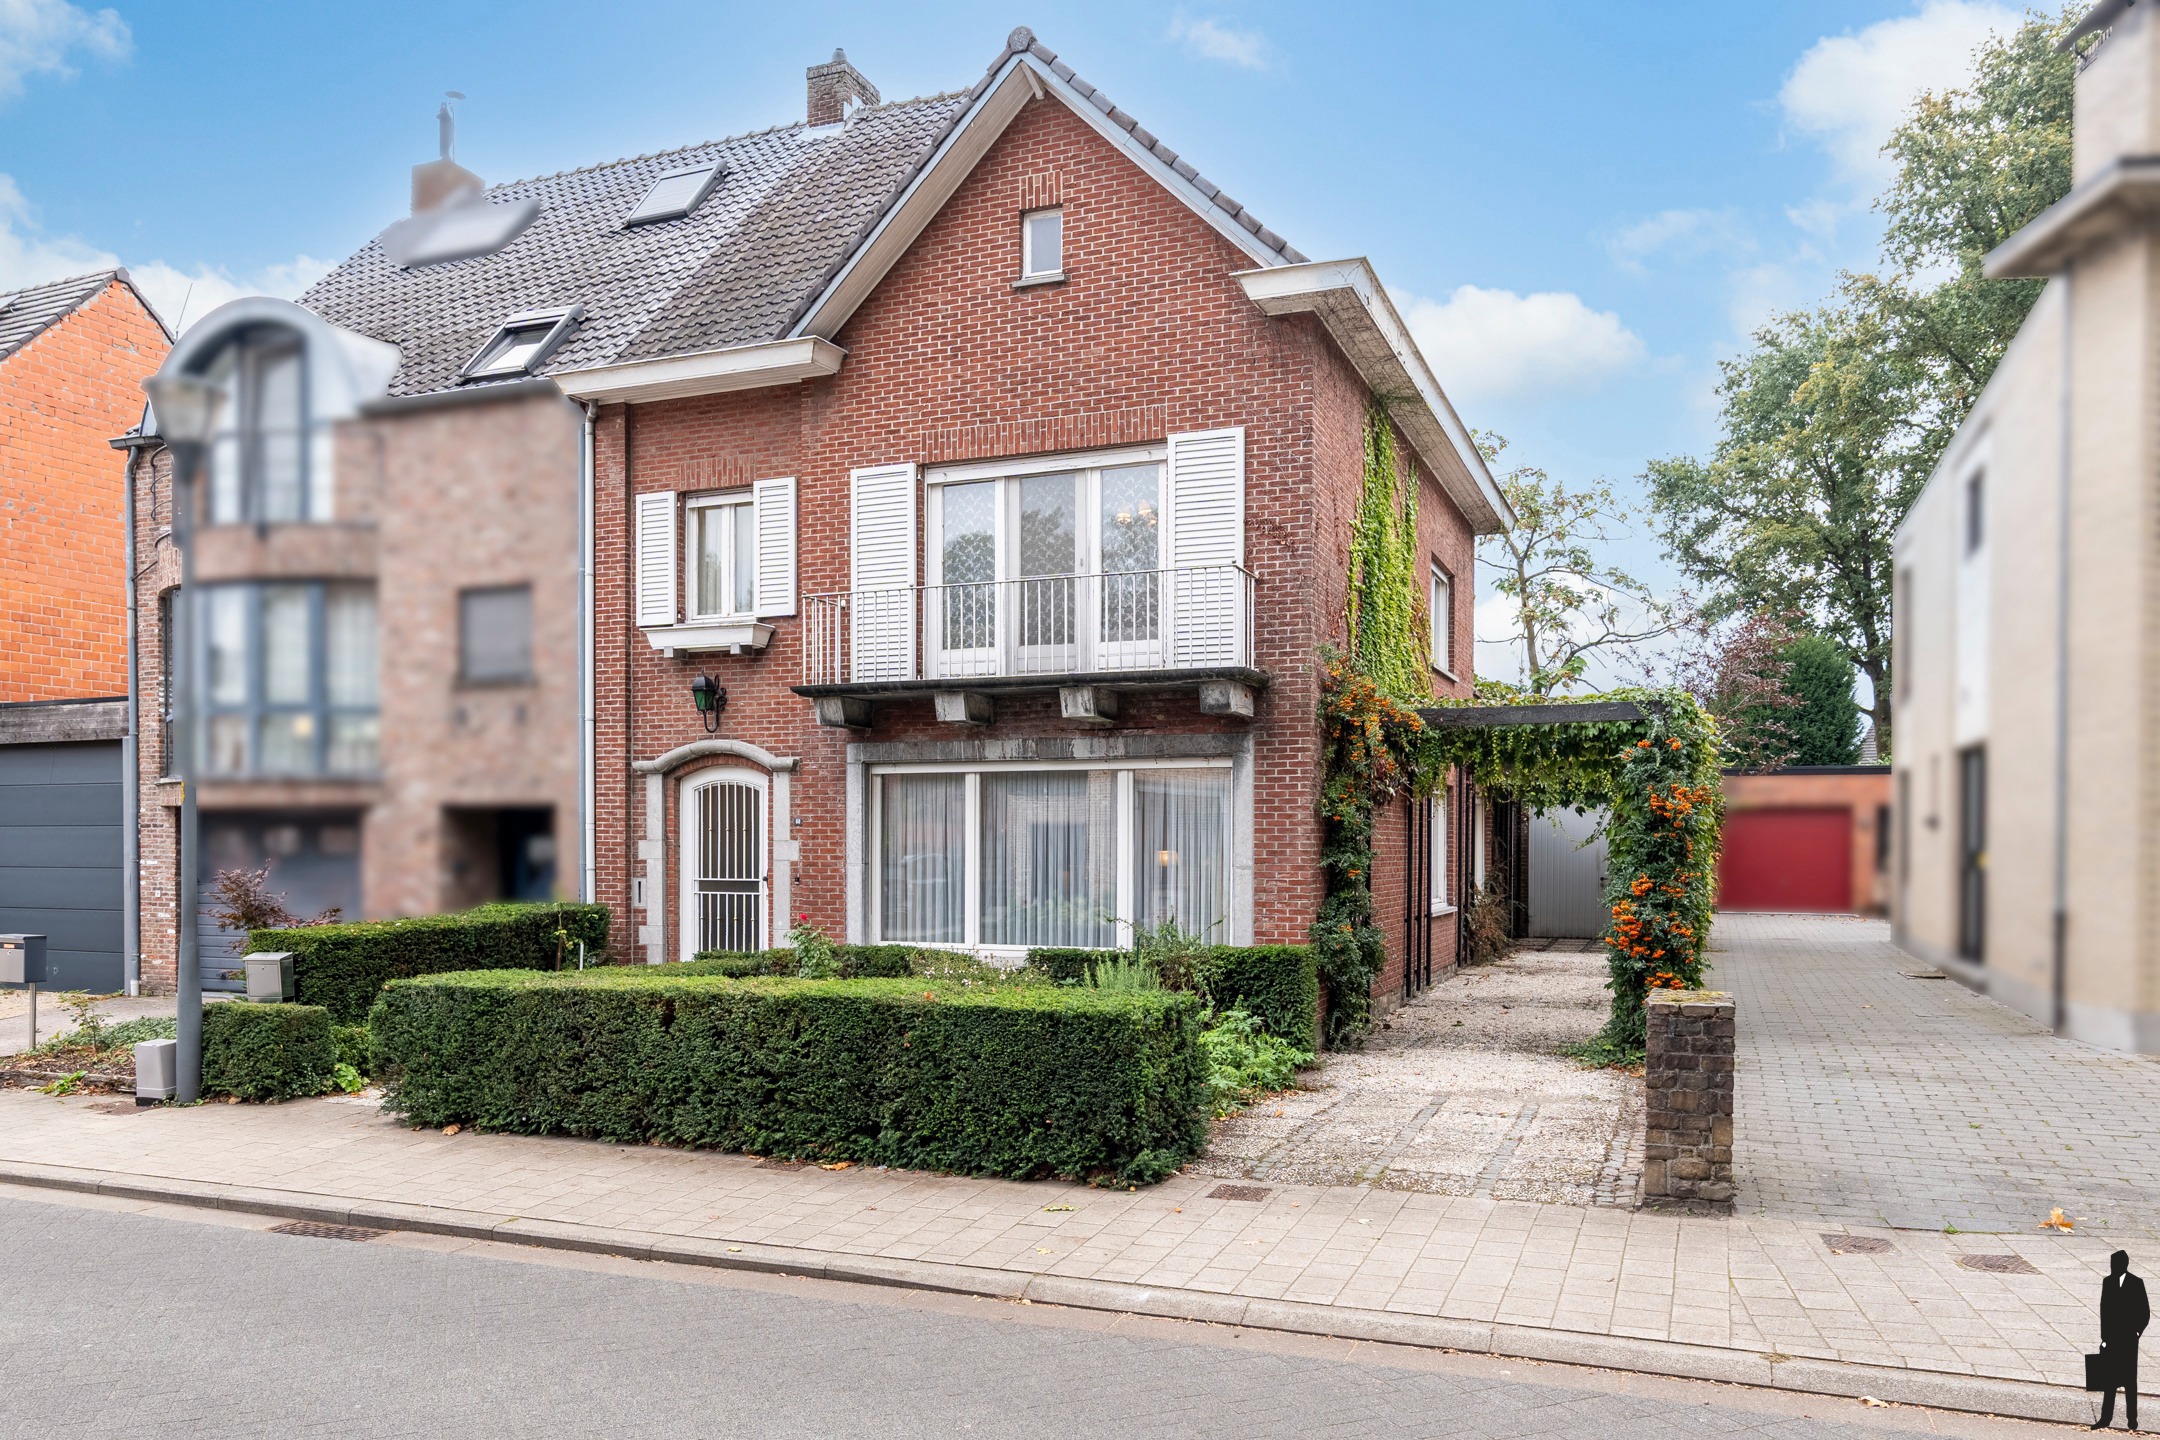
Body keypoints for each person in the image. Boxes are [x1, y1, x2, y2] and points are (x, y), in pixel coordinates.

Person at [2098, 1250, 2150, 1430]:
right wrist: (2104, 1338)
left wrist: (2137, 1332)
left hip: (2128, 1340)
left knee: (2130, 1381)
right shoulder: (2108, 1282)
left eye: (2116, 1264)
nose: (2113, 1267)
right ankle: (2106, 1418)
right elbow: (2104, 1311)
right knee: (2109, 1381)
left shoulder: (2136, 1283)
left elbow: (2145, 1311)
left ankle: (2132, 1420)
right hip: (2112, 1339)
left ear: (2124, 1265)